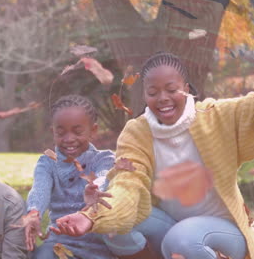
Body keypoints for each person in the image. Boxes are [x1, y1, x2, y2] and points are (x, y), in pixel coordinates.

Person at [51, 52, 254, 259]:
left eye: (171, 90)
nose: (162, 98)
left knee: (181, 239)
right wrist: (91, 217)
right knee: (116, 228)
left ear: (187, 89)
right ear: (144, 94)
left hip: (222, 231)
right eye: (153, 92)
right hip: (169, 226)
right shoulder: (137, 131)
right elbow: (127, 184)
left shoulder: (217, 116)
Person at [25, 94, 157, 259]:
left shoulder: (103, 159)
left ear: (93, 131)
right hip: (59, 241)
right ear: (53, 132)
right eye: (61, 132)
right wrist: (34, 211)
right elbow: (40, 188)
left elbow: (103, 176)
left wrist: (97, 188)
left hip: (97, 244)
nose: (69, 139)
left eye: (77, 131)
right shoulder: (47, 163)